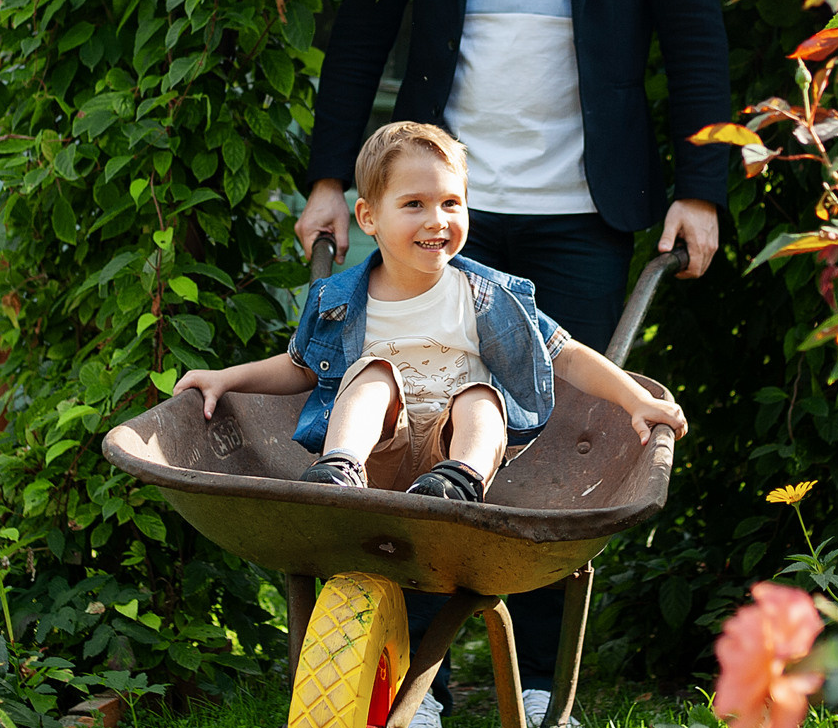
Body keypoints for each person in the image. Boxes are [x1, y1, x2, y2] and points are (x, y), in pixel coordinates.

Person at [293, 0, 733, 728]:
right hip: (436, 217)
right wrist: (333, 177)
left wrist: (702, 186)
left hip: (584, 201)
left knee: (542, 436)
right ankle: (412, 677)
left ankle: (531, 679)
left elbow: (692, 26)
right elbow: (365, 29)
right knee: (410, 423)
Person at [175, 119, 686, 496]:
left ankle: (461, 481)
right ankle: (339, 471)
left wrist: (634, 399)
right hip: (378, 452)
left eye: (450, 203)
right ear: (368, 216)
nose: (436, 220)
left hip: (449, 450)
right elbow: (298, 368)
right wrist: (226, 378)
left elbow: (566, 354)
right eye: (414, 204)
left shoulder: (485, 295)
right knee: (372, 372)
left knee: (482, 396)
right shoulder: (340, 302)